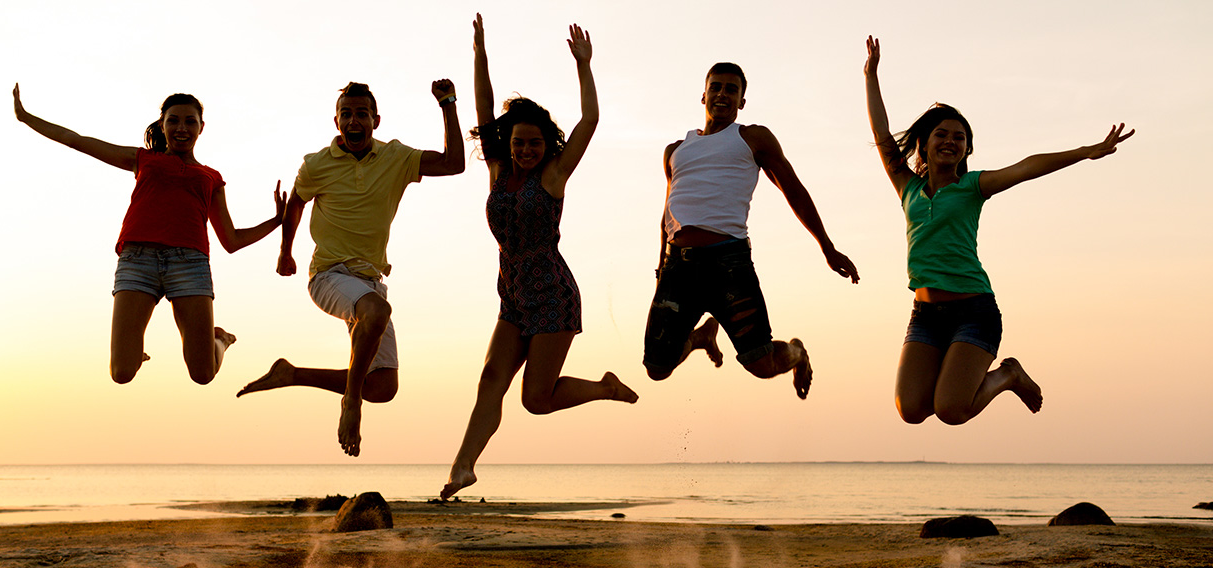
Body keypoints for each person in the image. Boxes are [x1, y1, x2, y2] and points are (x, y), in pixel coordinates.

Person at [863, 36, 1134, 425]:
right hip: (925, 314)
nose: (951, 142)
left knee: (951, 410)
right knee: (911, 409)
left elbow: (1027, 166)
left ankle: (1007, 374)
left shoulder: (972, 187)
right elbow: (882, 136)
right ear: (923, 143)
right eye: (942, 134)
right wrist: (871, 75)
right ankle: (990, 376)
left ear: (967, 149)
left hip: (974, 311)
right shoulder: (908, 186)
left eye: (960, 138)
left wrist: (1085, 151)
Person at [439, 14, 638, 500]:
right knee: (490, 378)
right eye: (519, 142)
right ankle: (462, 466)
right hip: (512, 294)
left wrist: (584, 67)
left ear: (546, 145)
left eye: (534, 142)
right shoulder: (496, 168)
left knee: (536, 400)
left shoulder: (553, 176)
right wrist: (479, 52)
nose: (526, 149)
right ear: (508, 143)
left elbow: (589, 122)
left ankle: (605, 387)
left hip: (552, 295)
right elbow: (484, 107)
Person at [235, 80, 465, 457]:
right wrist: (285, 252)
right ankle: (350, 406)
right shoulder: (316, 165)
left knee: (383, 387)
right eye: (347, 114)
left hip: (369, 281)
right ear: (337, 120)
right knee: (376, 313)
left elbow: (454, 163)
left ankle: (291, 374)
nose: (354, 120)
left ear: (375, 119)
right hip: (328, 274)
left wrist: (448, 105)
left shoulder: (396, 157)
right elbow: (296, 203)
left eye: (362, 114)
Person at [12, 85, 284, 385]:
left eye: (190, 121)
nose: (181, 128)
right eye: (173, 120)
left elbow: (231, 241)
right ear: (163, 124)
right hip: (138, 261)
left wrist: (276, 221)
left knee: (203, 374)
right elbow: (76, 141)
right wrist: (26, 117)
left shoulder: (211, 178)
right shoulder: (143, 159)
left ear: (201, 127)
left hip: (189, 265)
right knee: (122, 373)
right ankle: (133, 352)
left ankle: (219, 340)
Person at [643, 63, 860, 398]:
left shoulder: (752, 138)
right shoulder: (675, 150)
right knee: (657, 368)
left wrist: (827, 246)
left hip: (727, 264)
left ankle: (798, 352)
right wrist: (661, 269)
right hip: (679, 266)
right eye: (716, 87)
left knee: (761, 364)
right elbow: (668, 214)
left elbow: (794, 190)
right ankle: (701, 337)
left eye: (732, 89)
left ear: (741, 101)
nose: (722, 94)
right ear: (703, 94)